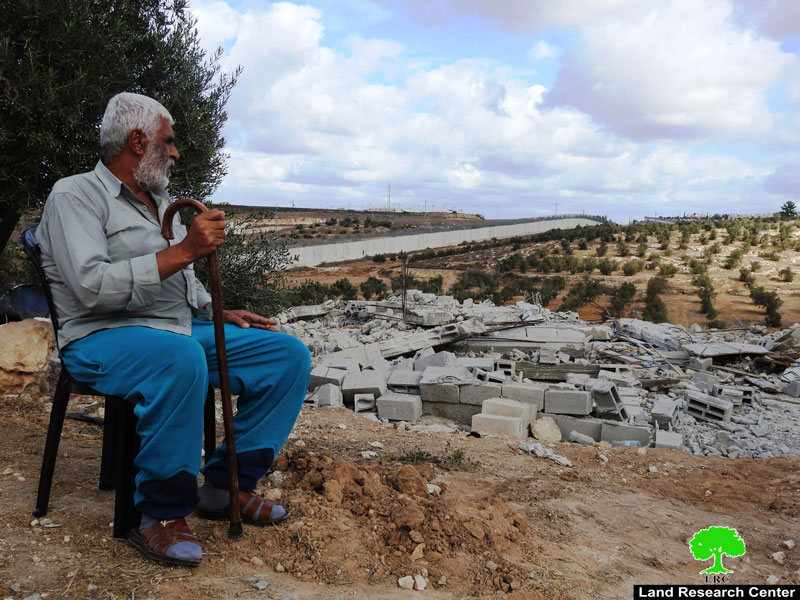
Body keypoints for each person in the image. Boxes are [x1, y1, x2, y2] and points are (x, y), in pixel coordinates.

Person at [36, 92, 311, 567]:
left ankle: (226, 486)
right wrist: (184, 250)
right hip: (101, 336)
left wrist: (213, 309)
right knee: (179, 358)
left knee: (287, 356)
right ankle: (161, 511)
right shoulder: (74, 195)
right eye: (169, 141)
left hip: (175, 329)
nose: (176, 152)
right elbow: (90, 288)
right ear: (138, 142)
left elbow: (182, 282)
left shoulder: (161, 202)